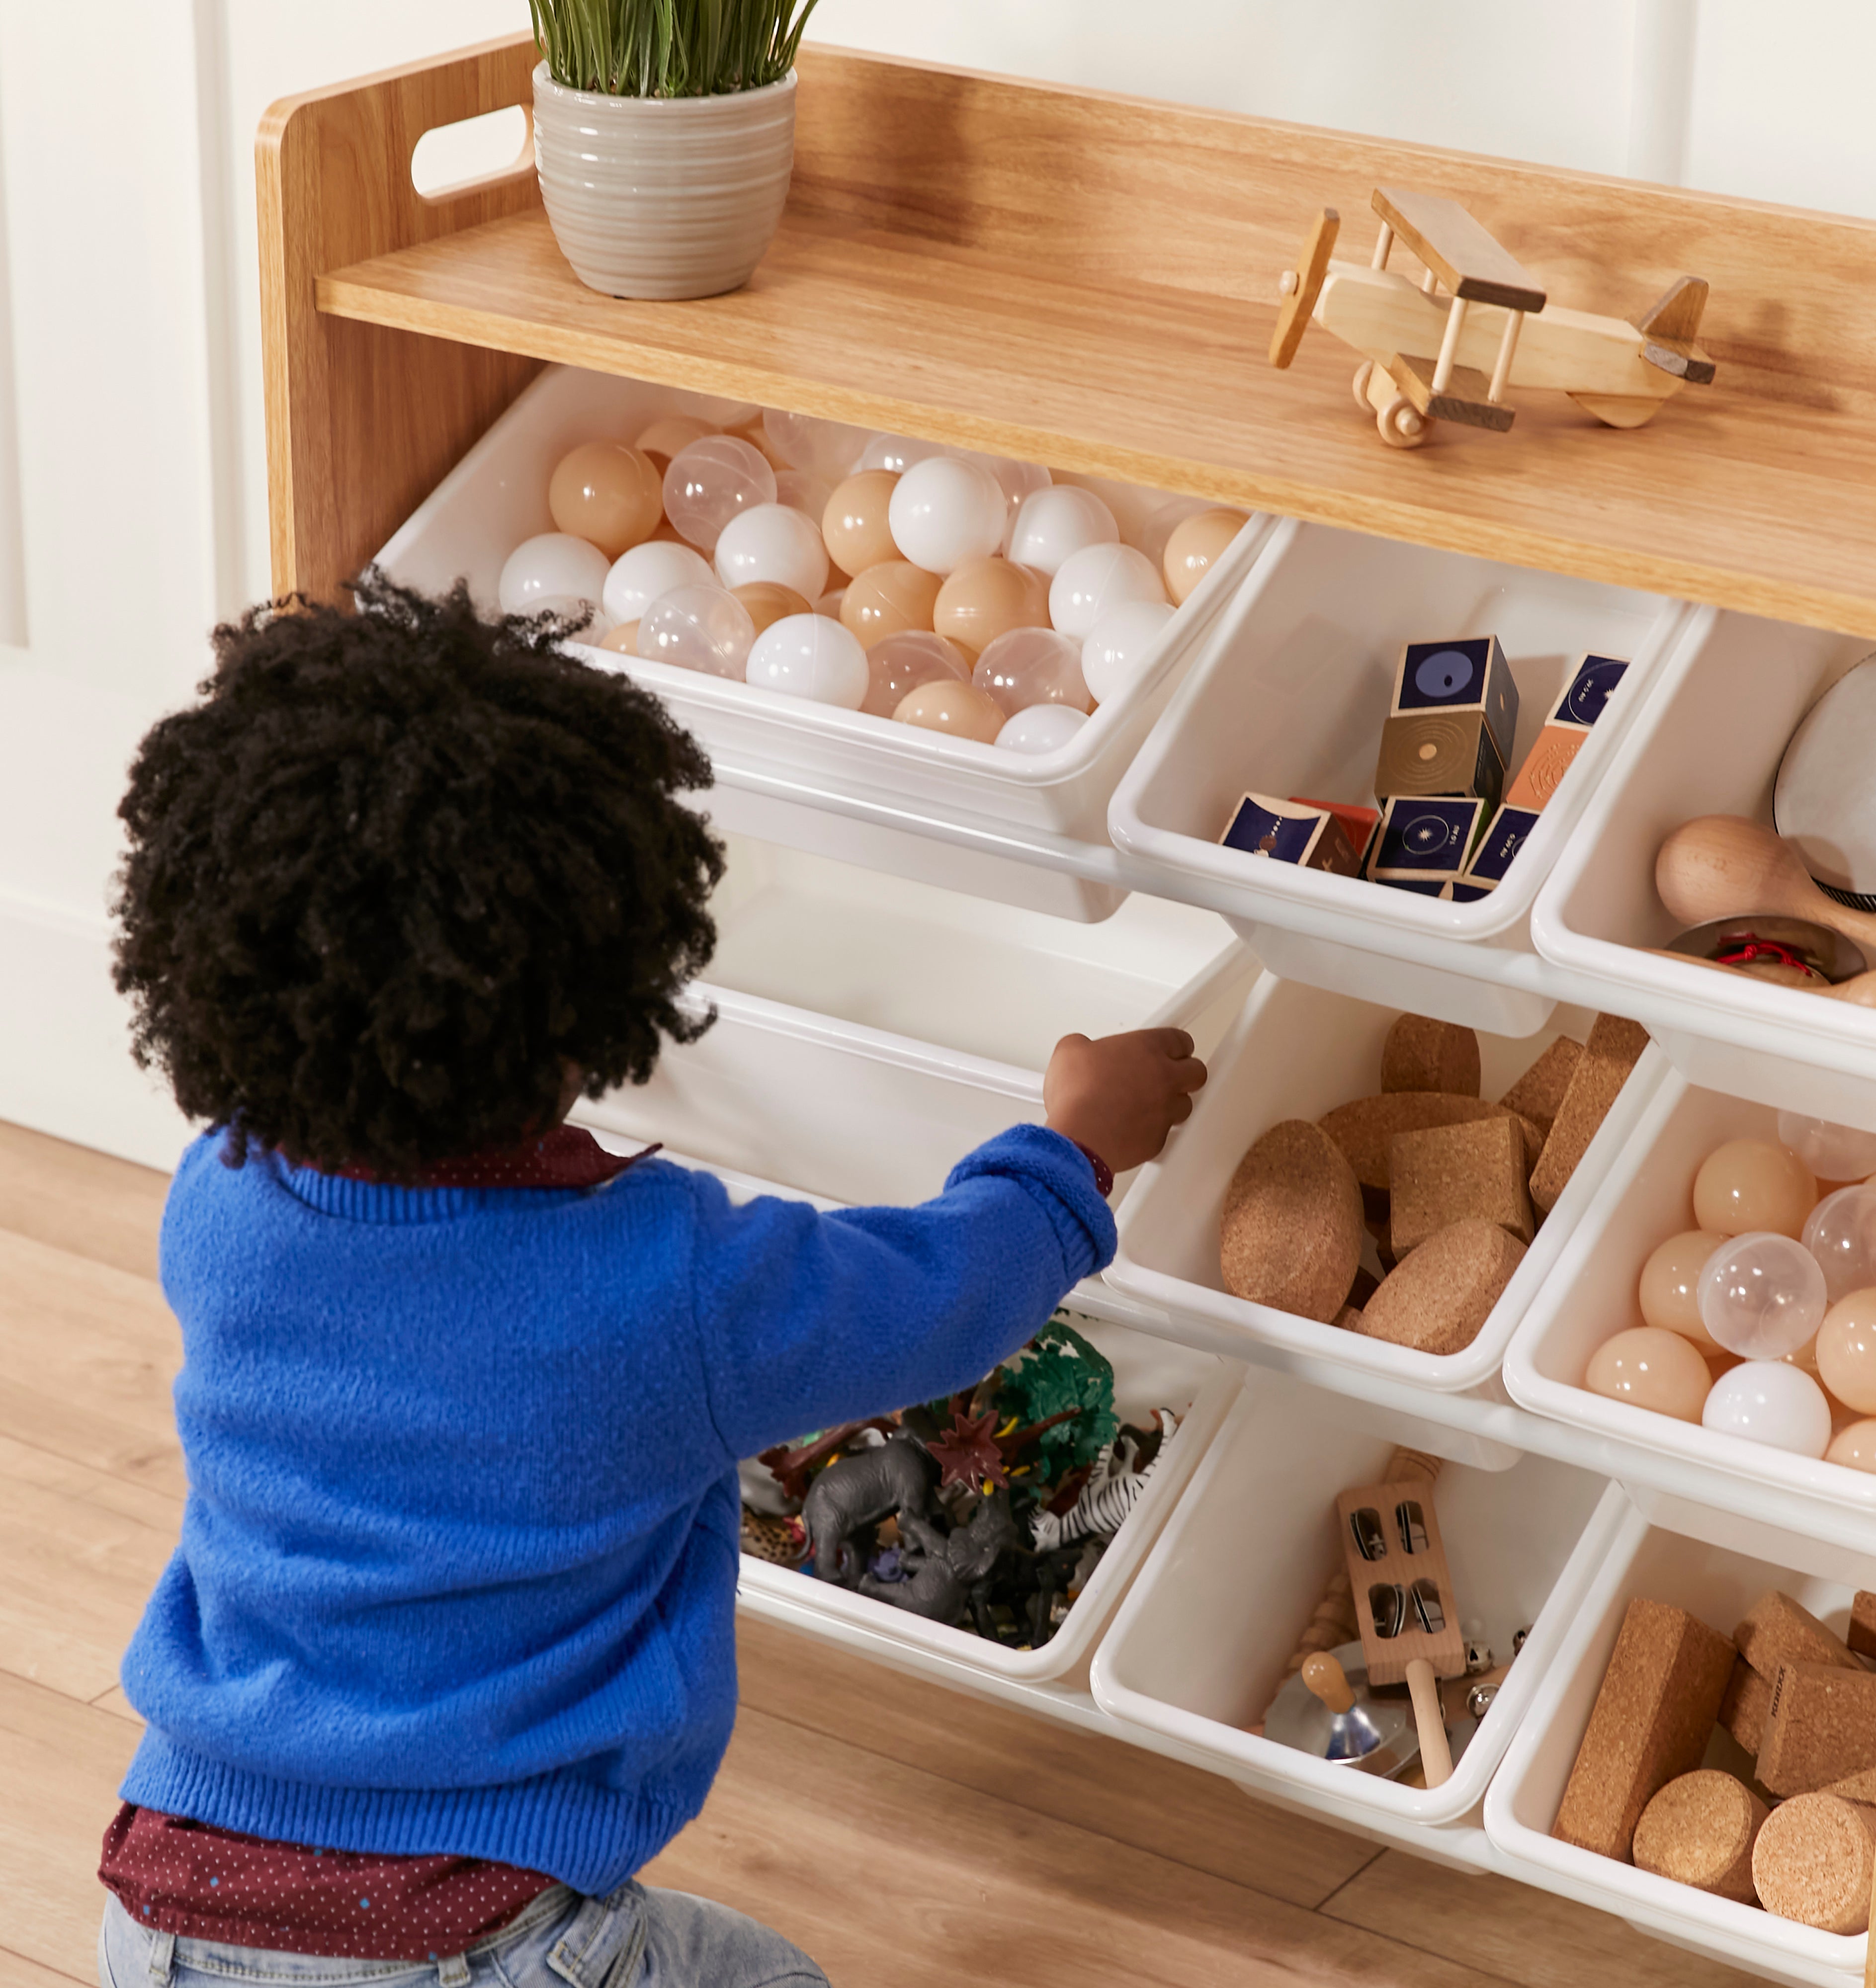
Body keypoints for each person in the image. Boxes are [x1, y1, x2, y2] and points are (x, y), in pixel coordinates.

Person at [95, 573, 1206, 1988]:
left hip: (172, 1900)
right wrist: (1071, 1153)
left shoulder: (224, 1202)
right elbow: (947, 1299)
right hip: (474, 1940)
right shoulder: (662, 1283)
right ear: (599, 1001)